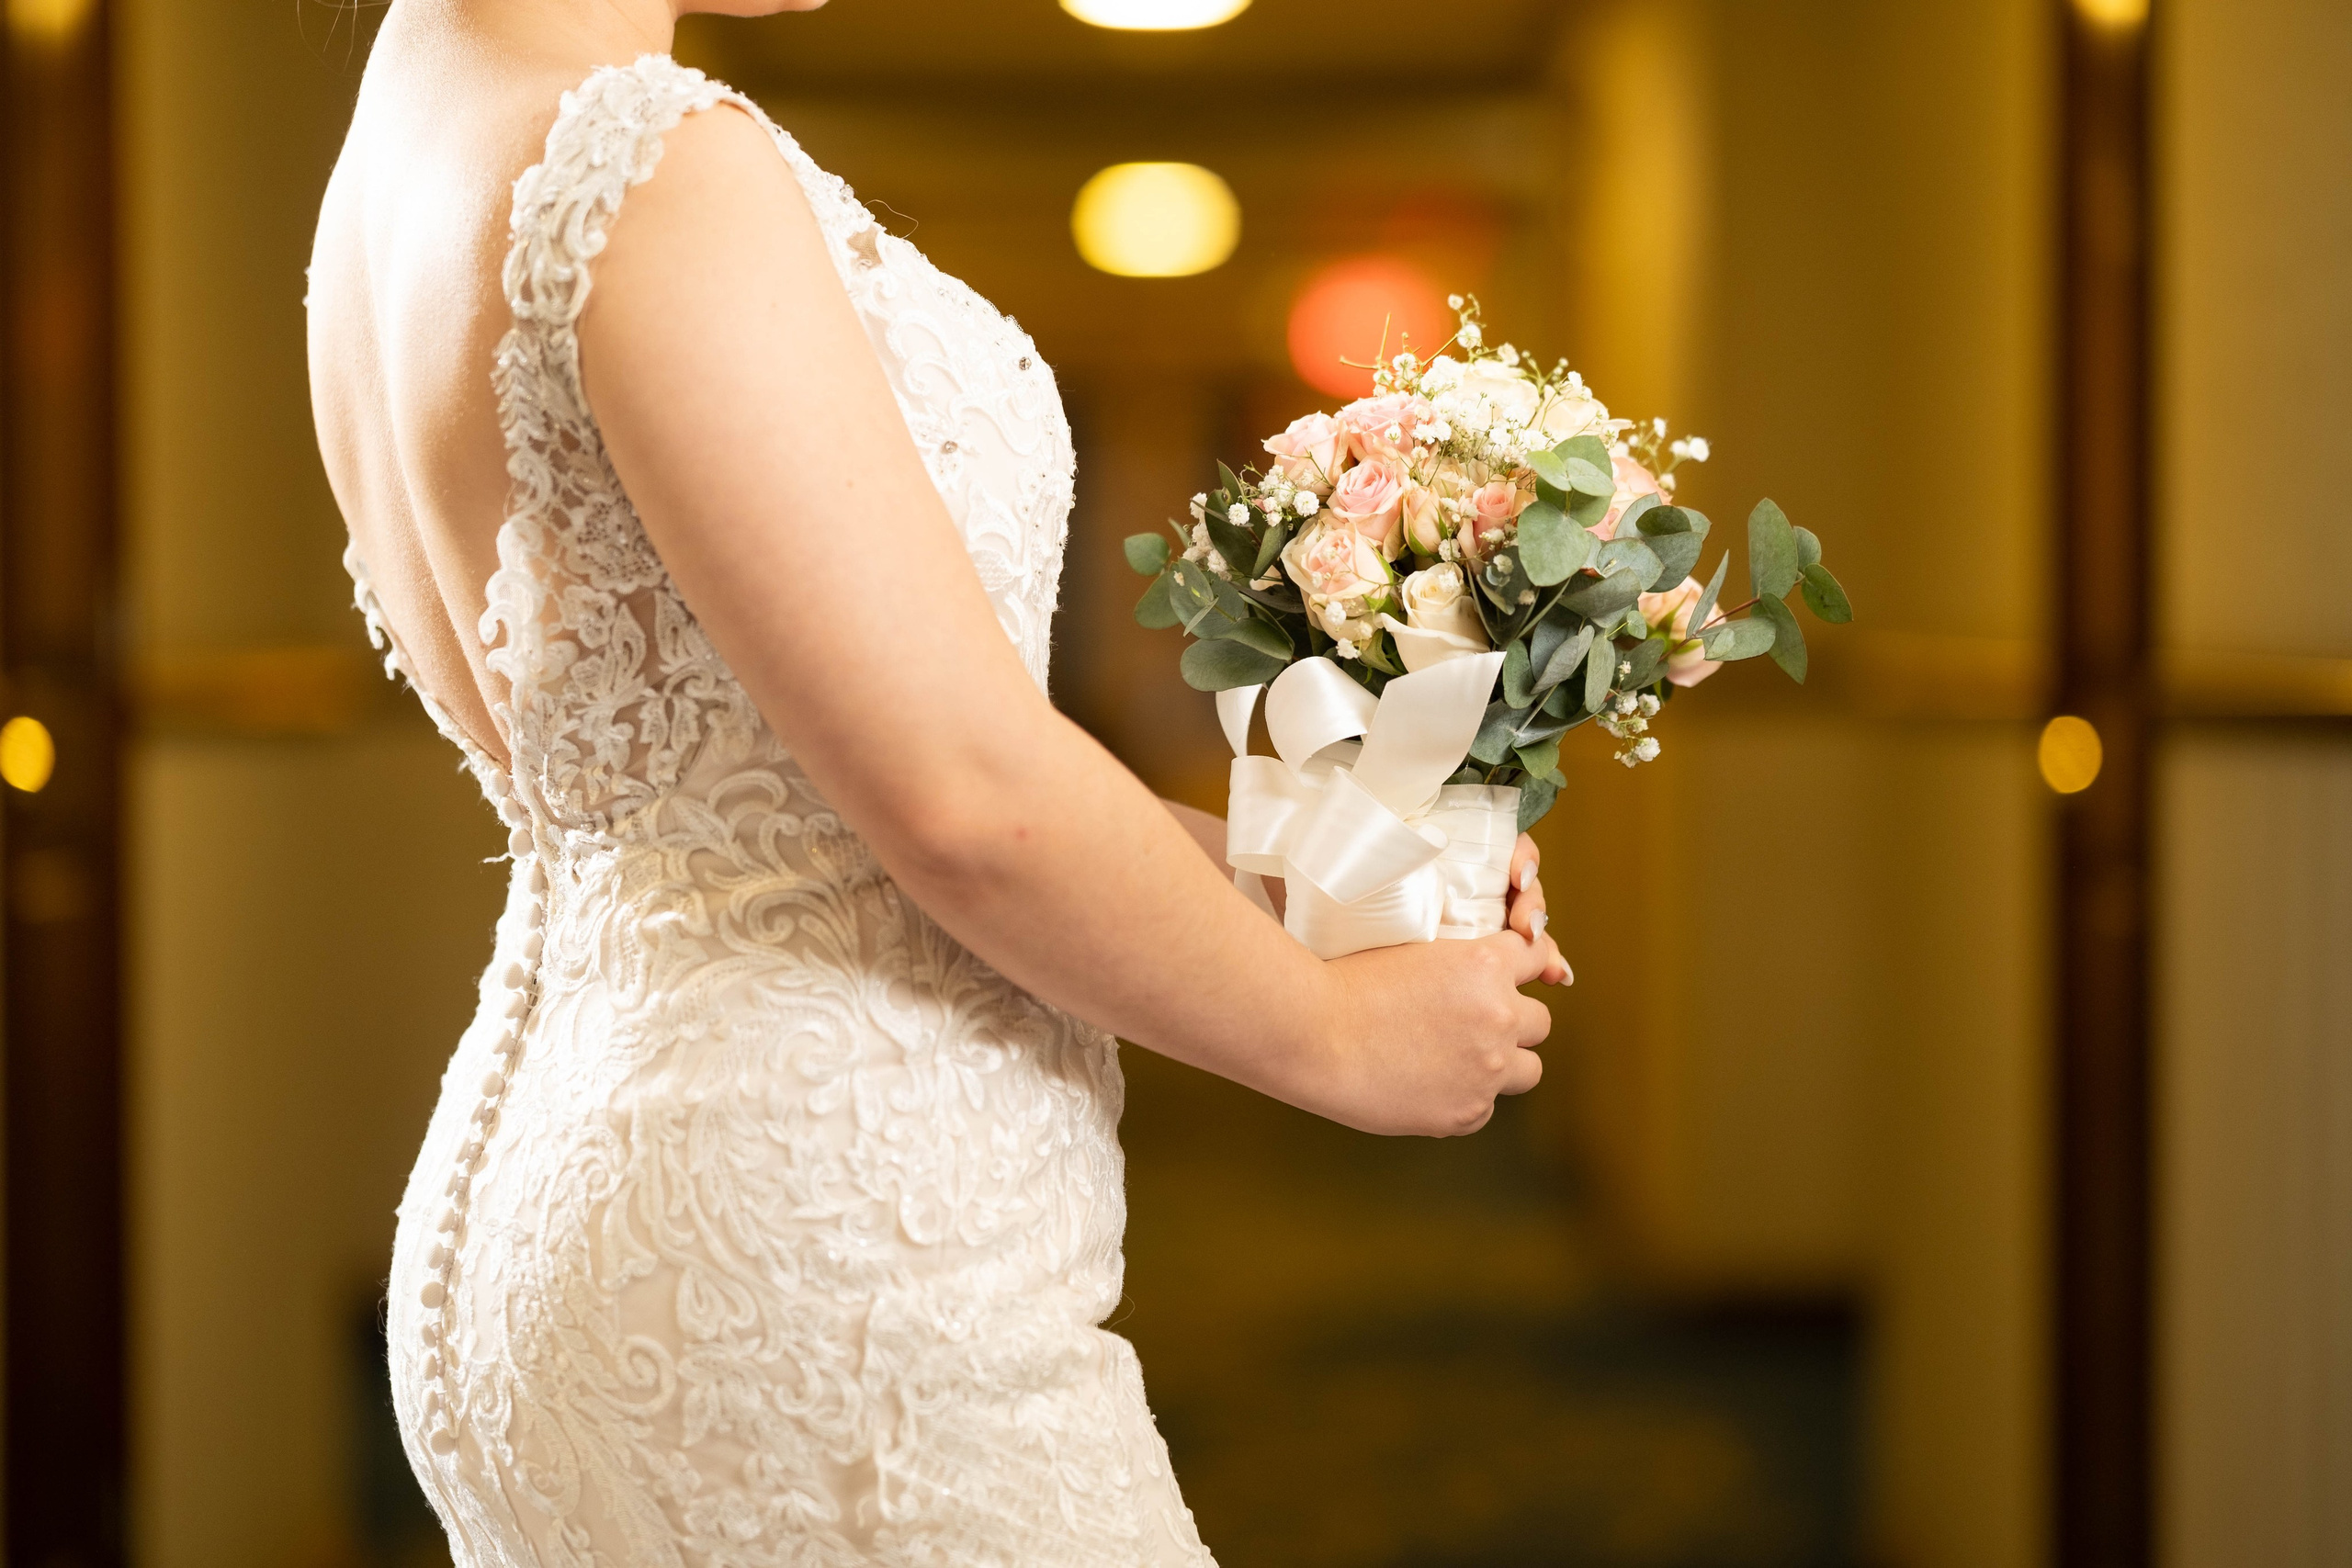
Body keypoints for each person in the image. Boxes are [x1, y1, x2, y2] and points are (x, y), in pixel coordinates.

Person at [306, 0, 1567, 1560]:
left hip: (559, 1223)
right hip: (821, 1254)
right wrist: (1332, 1038)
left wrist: (1317, 869)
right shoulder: (654, 166)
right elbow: (962, 798)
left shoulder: (408, 149)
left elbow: (777, 793)